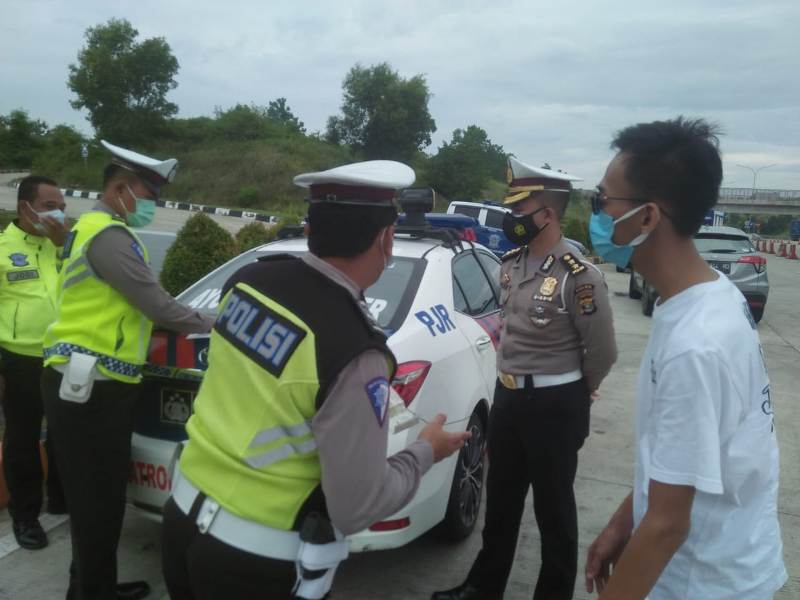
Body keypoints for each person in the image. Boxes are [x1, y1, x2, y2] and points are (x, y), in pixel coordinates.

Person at [160, 160, 470, 600]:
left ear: (311, 229)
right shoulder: (353, 350)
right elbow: (356, 507)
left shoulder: (248, 281)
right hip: (254, 565)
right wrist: (425, 452)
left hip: (181, 522)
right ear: (385, 239)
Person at [583, 117, 787, 599]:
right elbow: (686, 455)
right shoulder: (711, 296)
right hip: (721, 562)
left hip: (703, 581)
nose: (595, 213)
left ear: (648, 217)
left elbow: (668, 527)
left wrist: (644, 527)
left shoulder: (695, 344)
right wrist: (624, 521)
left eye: (603, 200)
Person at [433, 158, 618, 600]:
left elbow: (604, 350)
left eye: (520, 210)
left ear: (547, 215)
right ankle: (483, 586)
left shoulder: (580, 277)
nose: (512, 218)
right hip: (509, 399)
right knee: (500, 502)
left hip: (555, 406)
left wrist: (578, 385)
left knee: (554, 512)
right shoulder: (512, 262)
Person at [40, 141, 215, 600]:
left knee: (91, 501)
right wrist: (218, 321)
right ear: (121, 189)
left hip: (85, 381)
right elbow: (159, 306)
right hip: (91, 387)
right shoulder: (109, 237)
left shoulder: (90, 227)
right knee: (97, 504)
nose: (152, 205)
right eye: (148, 194)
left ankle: (89, 588)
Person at [0, 175, 69, 550]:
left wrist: (65, 246)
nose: (58, 212)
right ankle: (25, 516)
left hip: (63, 356)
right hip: (19, 359)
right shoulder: (2, 247)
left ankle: (60, 498)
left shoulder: (63, 245)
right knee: (23, 440)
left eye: (61, 205)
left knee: (64, 432)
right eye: (49, 205)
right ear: (24, 207)